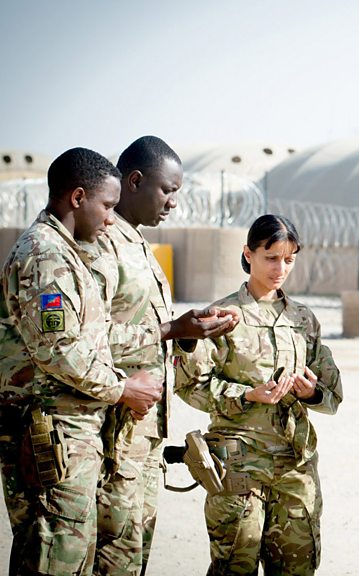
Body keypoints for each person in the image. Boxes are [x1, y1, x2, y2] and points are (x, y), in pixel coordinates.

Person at [0, 147, 162, 575]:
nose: (110, 219)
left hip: (73, 435)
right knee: (54, 557)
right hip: (51, 433)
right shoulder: (44, 256)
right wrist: (123, 389)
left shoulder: (67, 252)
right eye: (107, 206)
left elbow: (93, 337)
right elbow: (60, 351)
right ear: (77, 198)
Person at [87, 135, 240, 576]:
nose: (173, 202)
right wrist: (174, 329)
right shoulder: (102, 243)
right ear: (134, 181)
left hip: (143, 435)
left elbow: (147, 331)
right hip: (113, 431)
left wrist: (189, 333)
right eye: (167, 190)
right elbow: (88, 337)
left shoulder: (136, 243)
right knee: (113, 557)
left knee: (133, 555)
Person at [175, 214, 342, 575]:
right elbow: (190, 385)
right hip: (240, 467)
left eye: (289, 259)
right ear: (248, 254)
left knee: (297, 568)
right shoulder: (223, 317)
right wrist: (247, 395)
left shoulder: (303, 320)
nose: (280, 269)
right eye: (271, 258)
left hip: (294, 468)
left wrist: (311, 392)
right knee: (235, 566)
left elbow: (333, 394)